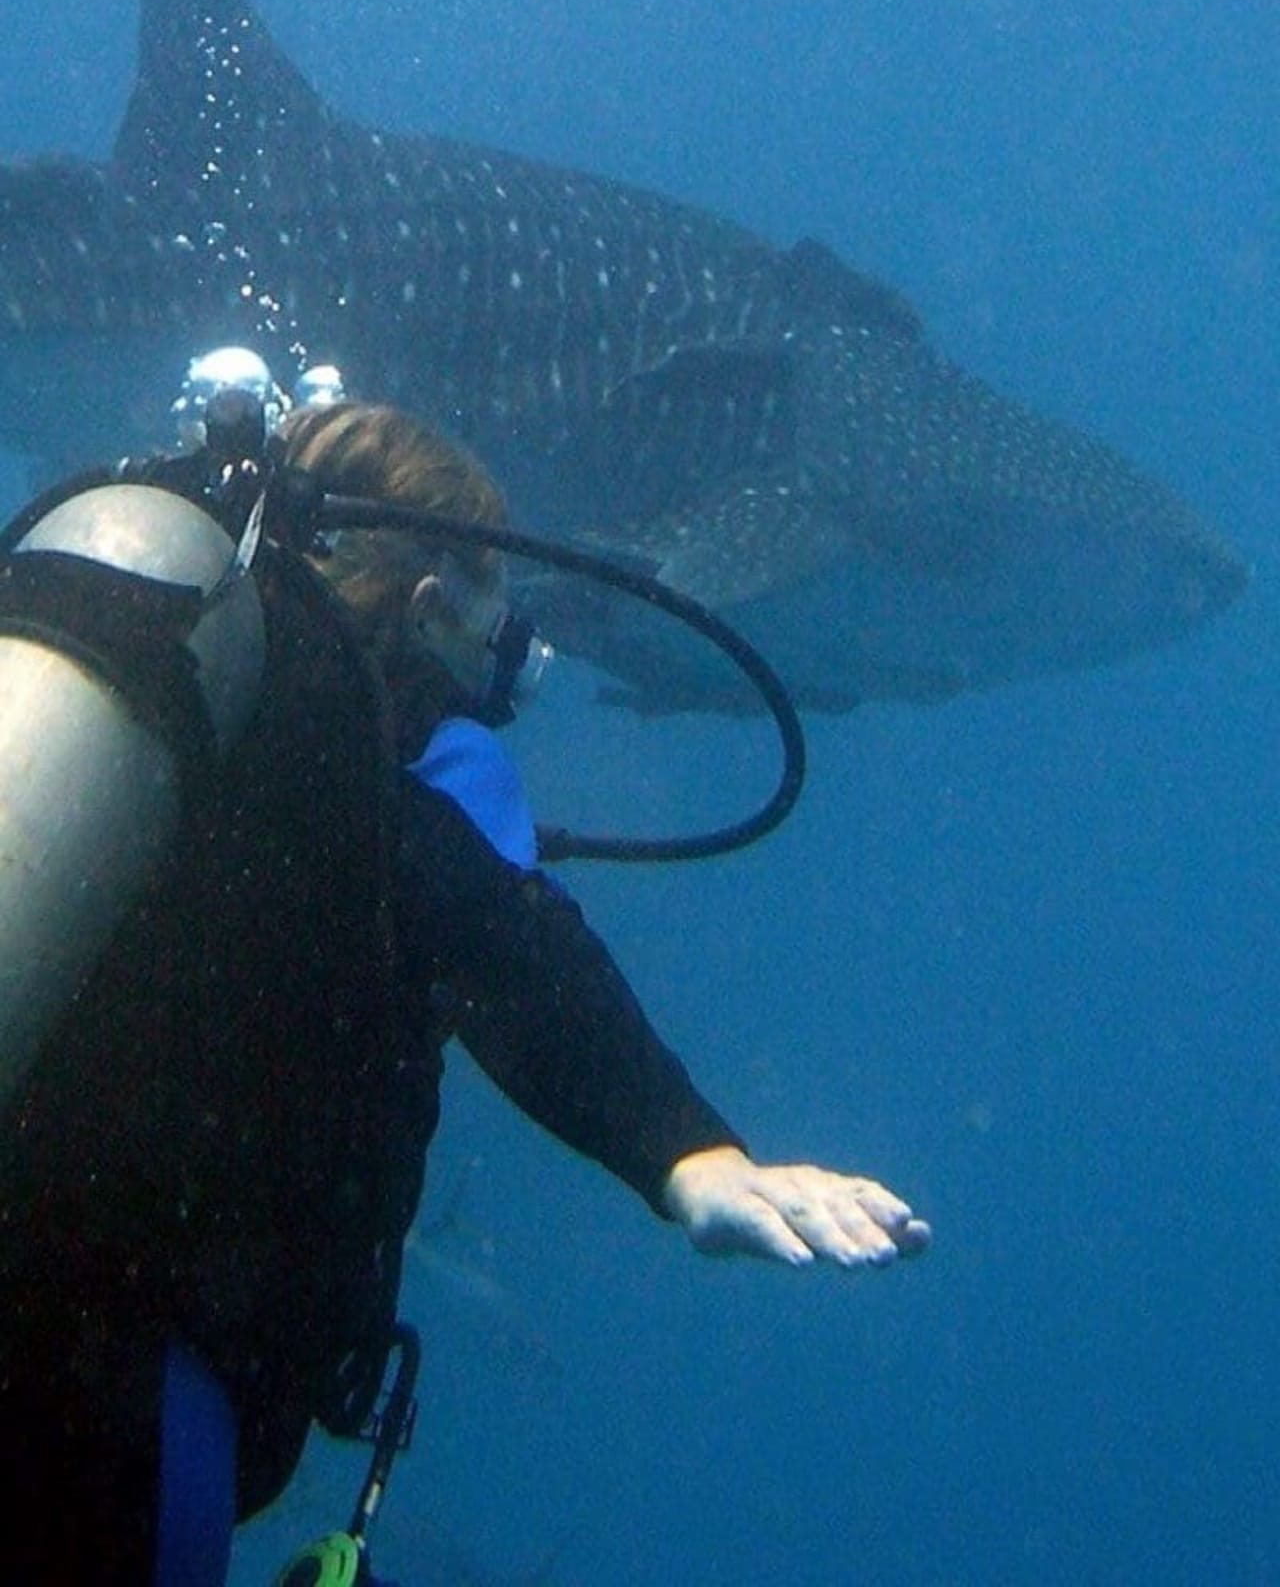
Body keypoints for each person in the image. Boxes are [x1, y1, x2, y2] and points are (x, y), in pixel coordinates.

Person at [0, 400, 928, 1584]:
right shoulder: (343, 756)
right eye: (491, 609)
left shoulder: (145, 688)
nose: (510, 653)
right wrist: (696, 1160)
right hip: (112, 1409)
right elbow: (512, 944)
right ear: (432, 608)